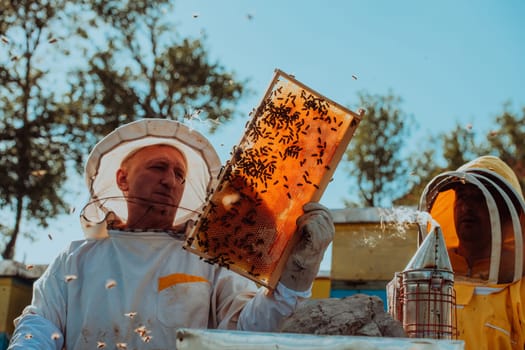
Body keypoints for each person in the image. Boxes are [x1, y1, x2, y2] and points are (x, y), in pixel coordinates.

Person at [8, 119, 334, 349]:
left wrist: (295, 279)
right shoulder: (75, 259)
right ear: (122, 178)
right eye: (158, 167)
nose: (171, 181)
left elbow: (248, 333)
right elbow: (40, 325)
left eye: (179, 174)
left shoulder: (206, 261)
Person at [418, 155, 525, 349]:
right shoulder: (431, 270)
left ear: (505, 213)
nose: (467, 207)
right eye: (461, 196)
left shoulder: (519, 289)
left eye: (478, 198)